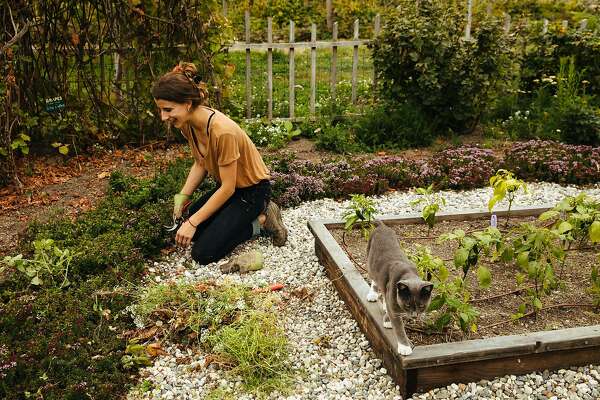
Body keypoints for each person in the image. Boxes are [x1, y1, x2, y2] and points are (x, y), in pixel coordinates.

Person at [152, 61, 287, 265]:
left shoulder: (222, 131)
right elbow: (200, 163)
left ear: (188, 103)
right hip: (229, 190)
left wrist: (193, 221)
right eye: (161, 110)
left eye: (168, 109)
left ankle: (262, 220)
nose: (163, 117)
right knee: (188, 229)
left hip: (252, 193)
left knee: (203, 253)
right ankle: (227, 221)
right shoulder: (188, 125)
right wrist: (182, 196)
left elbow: (227, 188)